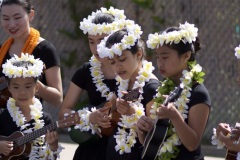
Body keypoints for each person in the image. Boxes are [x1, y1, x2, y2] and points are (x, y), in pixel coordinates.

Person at [58, 7, 126, 160]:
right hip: (92, 149)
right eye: (91, 41)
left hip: (124, 146)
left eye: (101, 41)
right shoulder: (85, 71)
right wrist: (87, 117)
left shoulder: (130, 69)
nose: (96, 48)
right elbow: (64, 113)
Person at [136, 22, 211, 160]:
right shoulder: (164, 90)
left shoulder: (198, 93)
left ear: (186, 56)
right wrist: (142, 130)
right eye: (157, 57)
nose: (159, 63)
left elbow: (192, 144)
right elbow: (153, 142)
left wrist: (175, 116)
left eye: (165, 57)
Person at [97, 20, 160, 160]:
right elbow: (111, 108)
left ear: (138, 54)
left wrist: (133, 113)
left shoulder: (151, 87)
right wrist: (105, 114)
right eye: (112, 62)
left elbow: (155, 138)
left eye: (122, 59)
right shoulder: (122, 83)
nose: (118, 67)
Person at [0, 53, 64, 159]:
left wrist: (53, 147)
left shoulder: (45, 119)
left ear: (37, 87)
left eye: (28, 87)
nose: (22, 92)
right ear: (9, 88)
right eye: (16, 87)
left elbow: (52, 157)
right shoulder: (3, 116)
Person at [0, 0, 62, 107]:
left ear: (31, 15)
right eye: (5, 18)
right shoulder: (2, 49)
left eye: (17, 18)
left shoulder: (45, 49)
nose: (11, 24)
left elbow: (57, 99)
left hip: (31, 120)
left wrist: (31, 82)